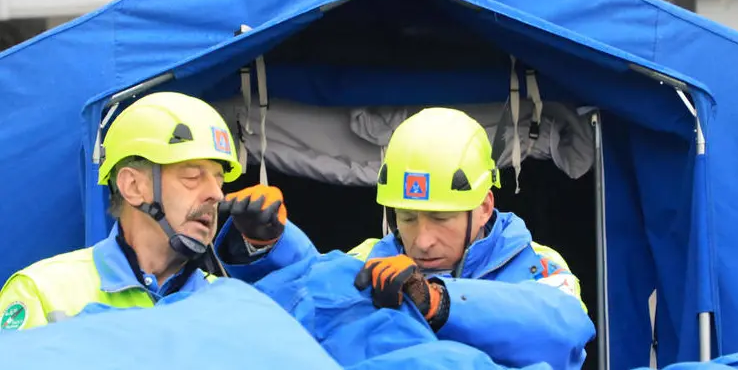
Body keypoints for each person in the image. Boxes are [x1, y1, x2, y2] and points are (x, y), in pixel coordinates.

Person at [215, 107, 596, 369]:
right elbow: (318, 299)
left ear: (483, 206)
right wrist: (268, 247)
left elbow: (564, 334)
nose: (422, 240)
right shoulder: (372, 257)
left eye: (441, 218)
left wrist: (439, 302)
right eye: (407, 217)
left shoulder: (539, 264)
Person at [0, 91, 283, 331]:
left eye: (219, 179)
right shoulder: (43, 292)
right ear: (132, 186)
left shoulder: (230, 304)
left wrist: (263, 250)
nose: (216, 194)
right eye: (192, 177)